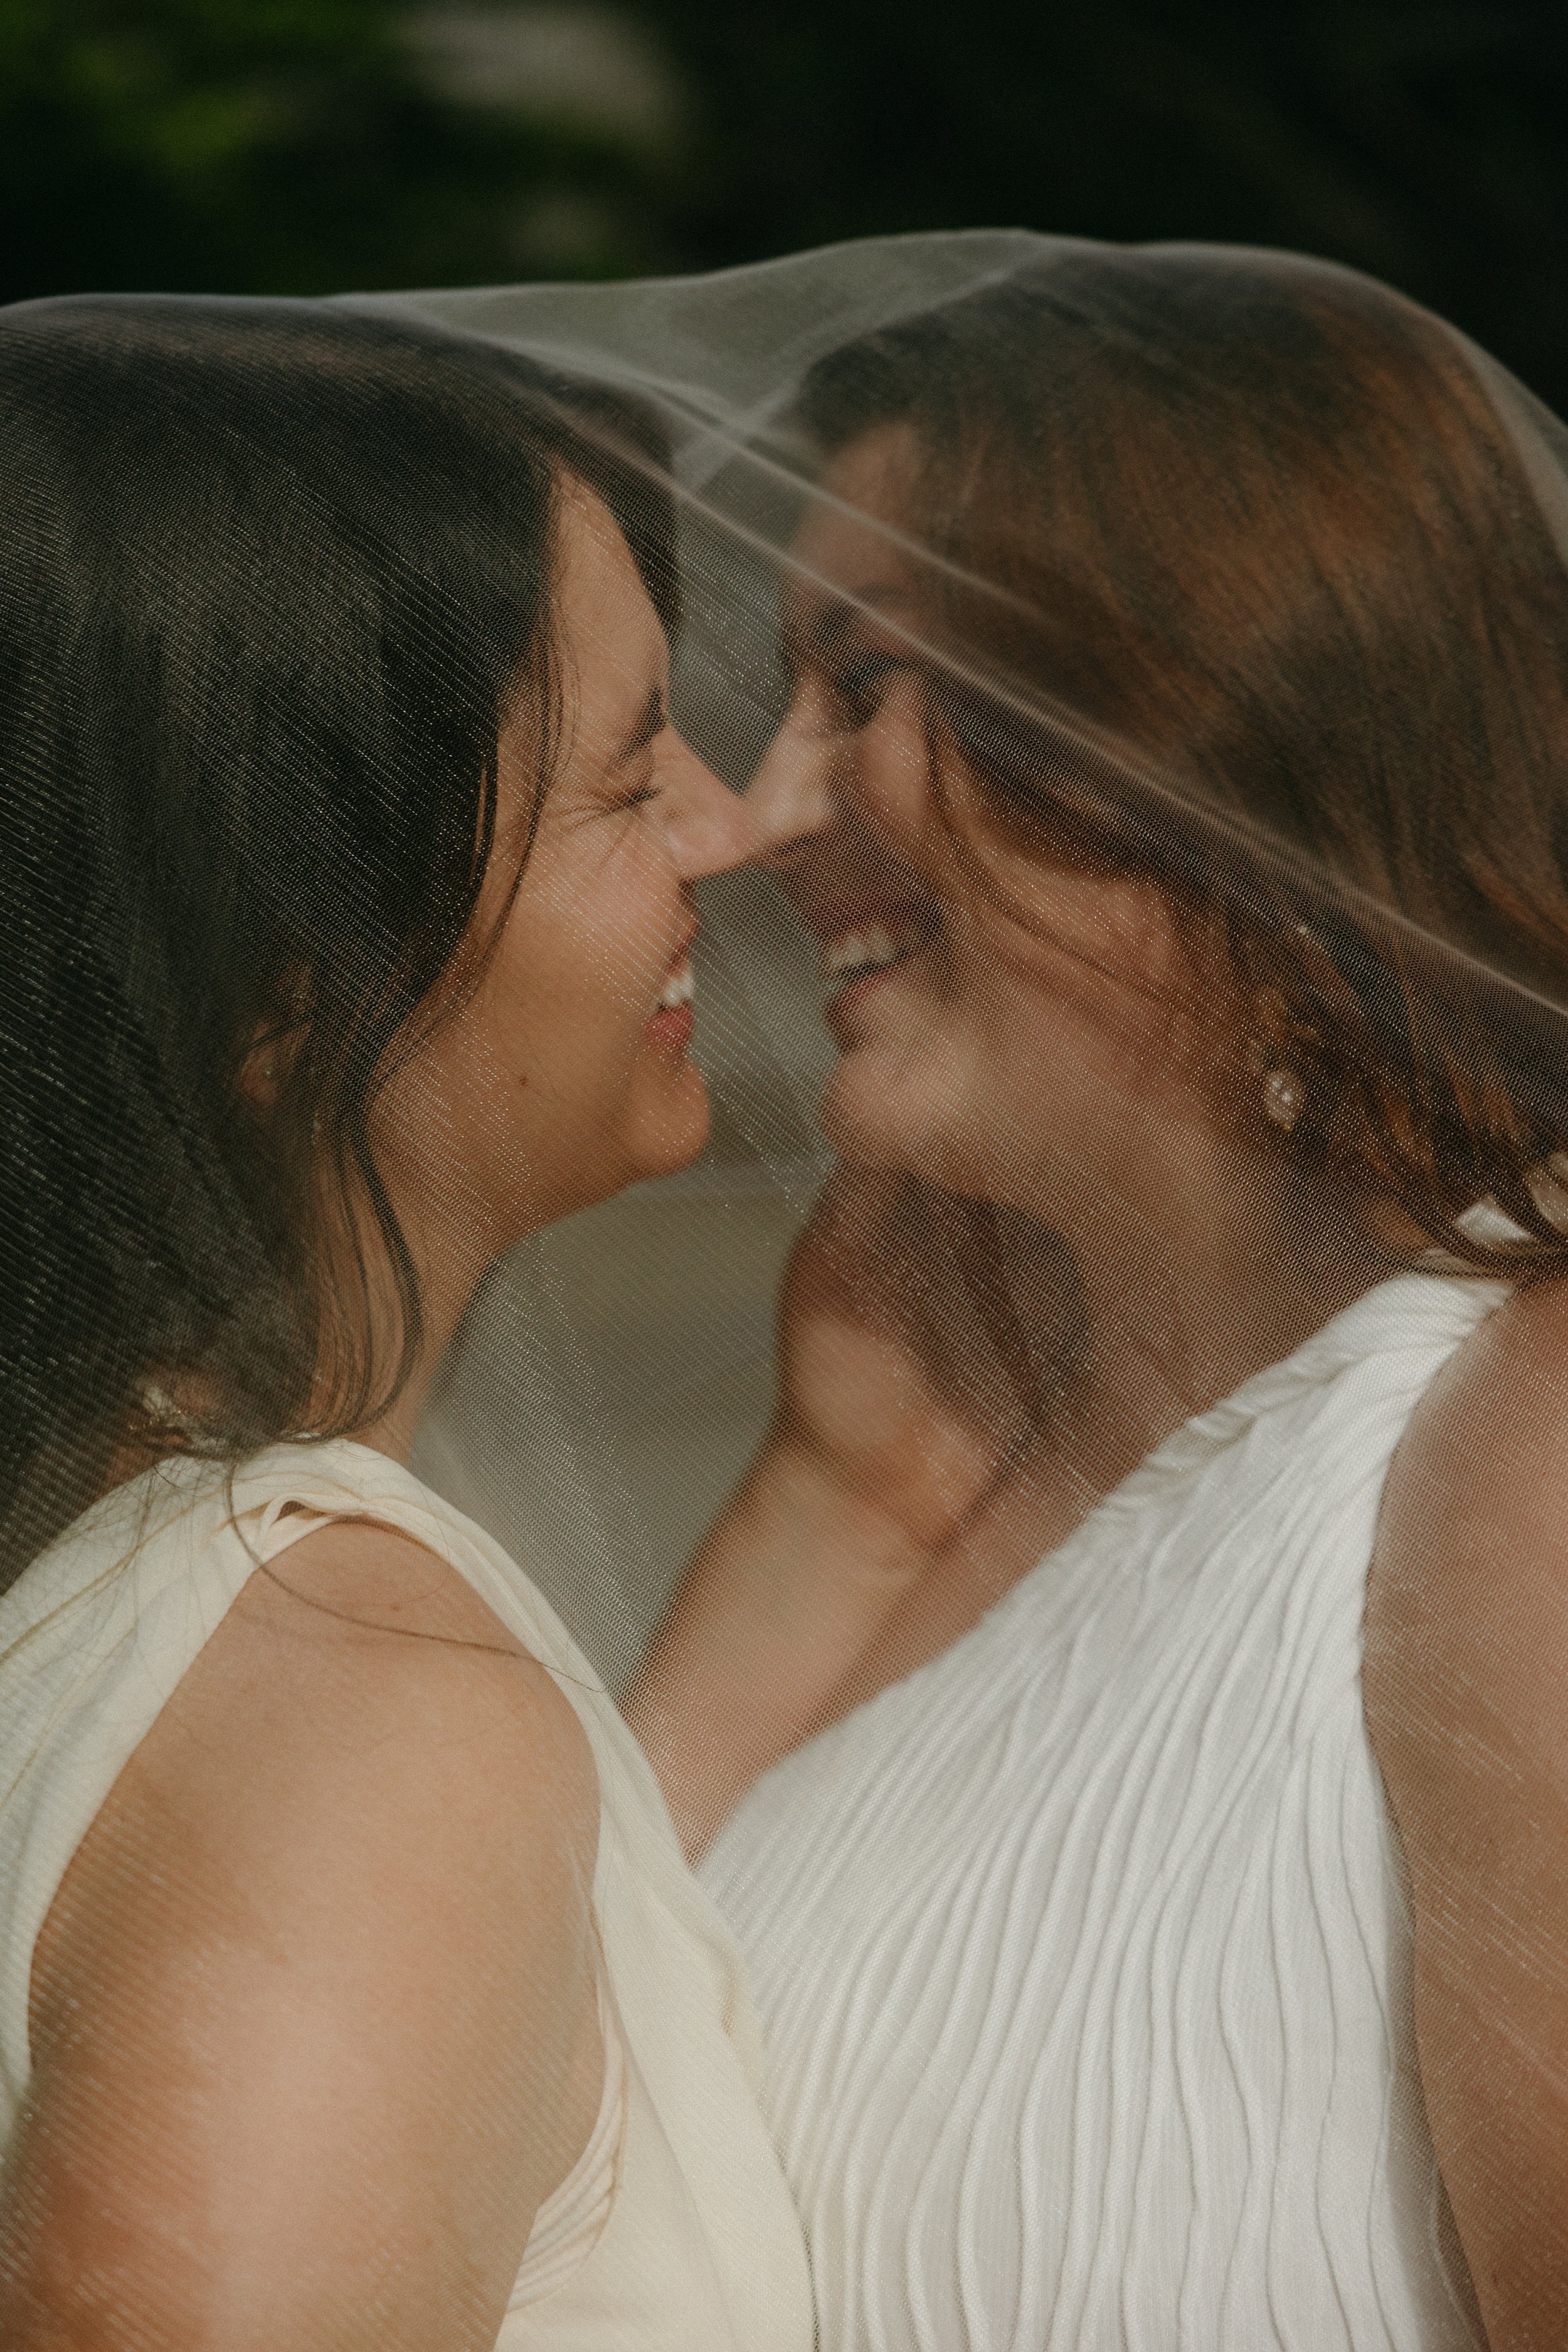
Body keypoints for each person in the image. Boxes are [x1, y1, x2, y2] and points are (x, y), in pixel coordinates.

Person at [622, 247, 1568, 2348]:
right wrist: (827, 1498)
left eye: (860, 685)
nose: (764, 814)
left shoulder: (1527, 1459)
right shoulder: (948, 1454)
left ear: (1178, 717)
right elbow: (564, 2093)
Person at [0, 295, 814, 2351]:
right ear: (293, 968)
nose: (730, 826)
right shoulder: (354, 1718)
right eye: (630, 780)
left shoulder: (114, 1594)